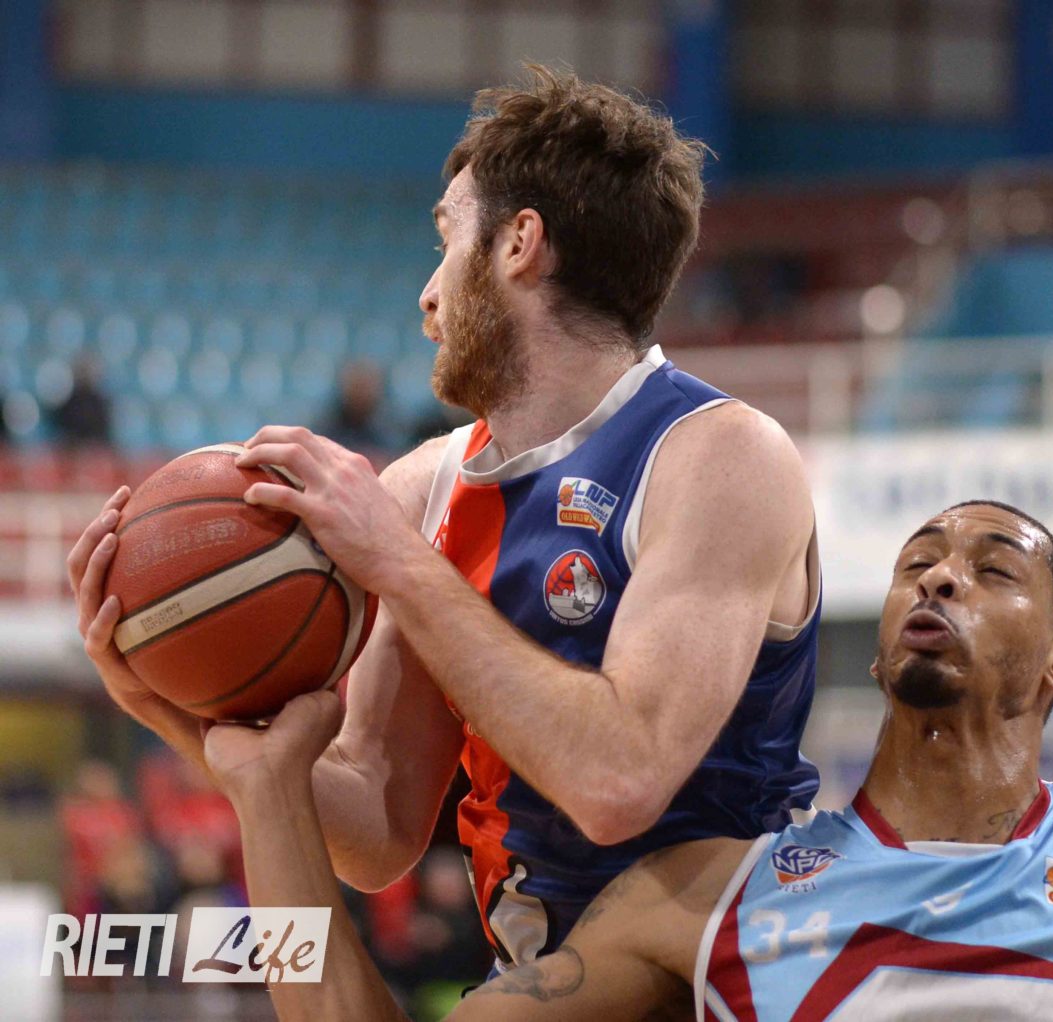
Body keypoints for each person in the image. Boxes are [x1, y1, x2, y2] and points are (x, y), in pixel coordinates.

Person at [209, 500, 1053, 1020]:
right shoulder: (709, 894)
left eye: (992, 568)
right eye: (918, 563)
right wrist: (269, 795)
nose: (939, 577)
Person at [66, 66, 820, 970]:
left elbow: (620, 781)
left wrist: (398, 560)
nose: (428, 295)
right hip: (531, 981)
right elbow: (377, 829)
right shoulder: (424, 488)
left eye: (447, 240)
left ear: (519, 245)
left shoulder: (722, 457)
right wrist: (173, 712)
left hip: (720, 983)